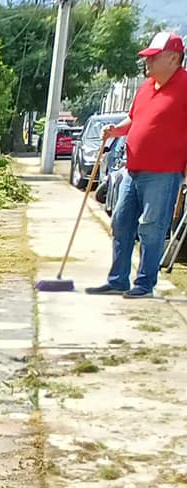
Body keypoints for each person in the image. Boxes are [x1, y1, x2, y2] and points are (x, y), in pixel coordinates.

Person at [90, 31, 186, 299]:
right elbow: (134, 120)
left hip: (164, 173)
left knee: (151, 227)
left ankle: (144, 284)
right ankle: (118, 280)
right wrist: (114, 131)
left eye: (154, 57)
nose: (148, 62)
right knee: (121, 221)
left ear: (173, 58)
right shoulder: (146, 88)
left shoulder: (185, 87)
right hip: (133, 169)